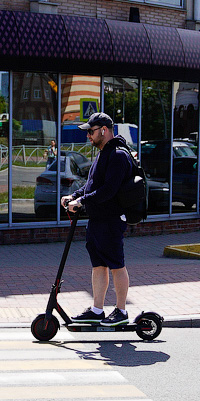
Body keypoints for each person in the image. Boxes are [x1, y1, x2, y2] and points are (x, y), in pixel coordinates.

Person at [60, 112, 132, 327]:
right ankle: (97, 310)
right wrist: (74, 196)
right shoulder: (103, 154)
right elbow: (91, 185)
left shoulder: (118, 155)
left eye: (91, 132)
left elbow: (108, 190)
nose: (88, 136)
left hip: (111, 219)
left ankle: (121, 311)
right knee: (98, 265)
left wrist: (81, 202)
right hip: (98, 218)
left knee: (116, 265)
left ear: (104, 130)